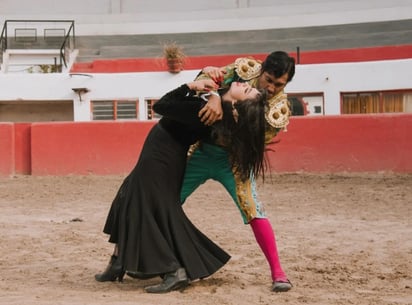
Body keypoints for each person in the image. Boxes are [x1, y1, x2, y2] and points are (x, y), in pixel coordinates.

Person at [95, 79, 268, 293]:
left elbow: (160, 106)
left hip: (161, 155)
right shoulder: (216, 106)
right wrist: (213, 94)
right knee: (128, 196)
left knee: (146, 209)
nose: (243, 84)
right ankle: (118, 262)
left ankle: (174, 270)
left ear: (237, 106)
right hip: (164, 153)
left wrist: (190, 86)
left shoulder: (206, 110)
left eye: (247, 90)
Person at [178, 51, 296, 292]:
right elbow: (206, 79)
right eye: (269, 80)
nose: (271, 88)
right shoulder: (245, 69)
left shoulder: (279, 110)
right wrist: (212, 93)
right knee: (167, 199)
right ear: (262, 70)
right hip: (202, 150)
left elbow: (249, 138)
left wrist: (219, 100)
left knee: (253, 209)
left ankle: (278, 272)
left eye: (278, 84)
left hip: (234, 161)